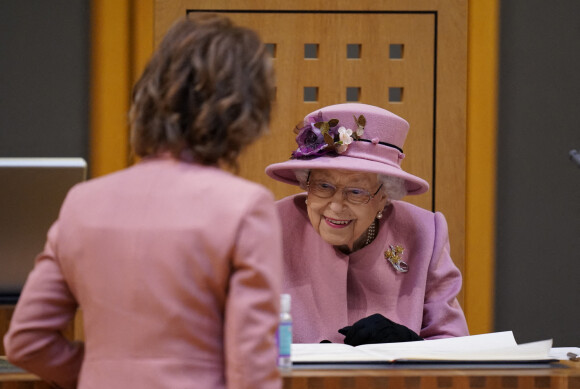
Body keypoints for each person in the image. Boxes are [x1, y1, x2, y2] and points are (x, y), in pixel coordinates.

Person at [4, 15, 282, 389]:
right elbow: (252, 370)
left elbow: (26, 342)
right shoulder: (246, 207)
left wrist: (101, 372)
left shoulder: (81, 203)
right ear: (246, 111)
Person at [265, 103, 469, 345]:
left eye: (356, 191)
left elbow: (455, 346)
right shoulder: (269, 228)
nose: (336, 206)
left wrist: (411, 345)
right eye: (323, 186)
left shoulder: (425, 233)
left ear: (385, 196)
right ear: (306, 183)